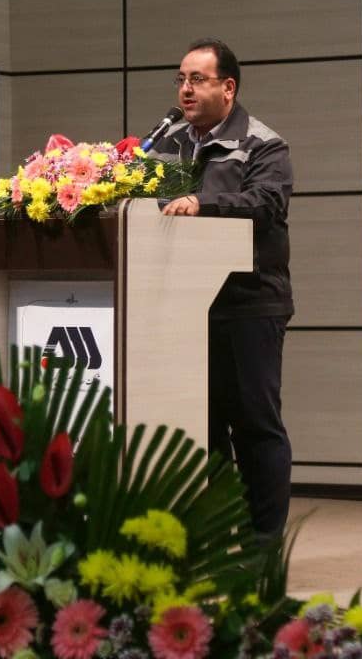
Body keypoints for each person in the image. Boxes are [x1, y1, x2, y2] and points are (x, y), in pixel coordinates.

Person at [150, 38, 294, 542]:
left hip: (249, 302)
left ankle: (262, 548)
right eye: (181, 80)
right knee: (201, 428)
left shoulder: (263, 144)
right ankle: (213, 539)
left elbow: (266, 203)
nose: (185, 90)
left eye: (198, 79)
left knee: (254, 427)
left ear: (228, 87)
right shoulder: (167, 142)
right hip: (184, 306)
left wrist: (202, 204)